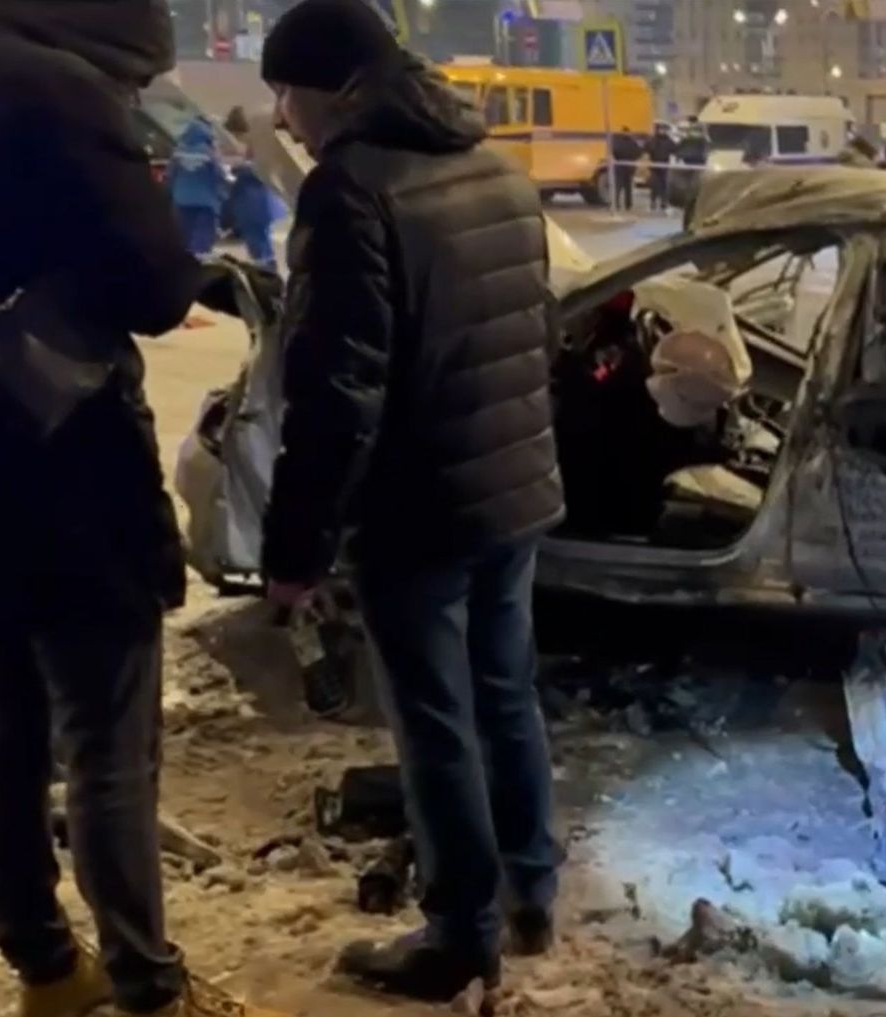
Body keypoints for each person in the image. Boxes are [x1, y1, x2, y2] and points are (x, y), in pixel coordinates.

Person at [0, 3, 289, 1017]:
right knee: (108, 746)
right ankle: (151, 987)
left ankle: (50, 973)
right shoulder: (57, 93)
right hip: (66, 479)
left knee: (3, 736)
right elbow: (149, 283)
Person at [257, 0, 564, 1002]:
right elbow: (532, 332)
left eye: (287, 92)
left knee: (436, 722)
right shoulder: (495, 164)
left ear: (335, 88)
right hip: (513, 489)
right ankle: (529, 892)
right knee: (506, 694)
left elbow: (334, 389)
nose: (281, 113)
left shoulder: (350, 192)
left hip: (419, 509)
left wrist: (294, 549)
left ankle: (459, 935)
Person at [168, 116, 228, 255]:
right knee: (203, 235)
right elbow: (218, 176)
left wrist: (171, 193)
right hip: (205, 202)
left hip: (181, 200)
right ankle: (200, 260)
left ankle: (185, 260)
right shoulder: (208, 153)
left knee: (183, 234)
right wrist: (223, 195)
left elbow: (171, 175)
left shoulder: (178, 151)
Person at [226, 161, 278, 271]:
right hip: (264, 213)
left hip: (247, 216)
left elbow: (232, 201)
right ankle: (269, 261)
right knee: (263, 237)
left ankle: (262, 264)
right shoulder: (261, 179)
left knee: (254, 241)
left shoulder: (239, 184)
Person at [644, 123, 676, 213]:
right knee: (654, 185)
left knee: (664, 185)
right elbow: (646, 150)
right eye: (661, 129)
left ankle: (664, 202)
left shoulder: (668, 140)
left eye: (664, 129)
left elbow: (674, 149)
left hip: (664, 165)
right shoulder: (652, 140)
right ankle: (653, 202)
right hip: (654, 165)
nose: (662, 131)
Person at [610, 129, 641, 211]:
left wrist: (618, 158)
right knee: (628, 188)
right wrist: (633, 159)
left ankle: (616, 204)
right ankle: (628, 205)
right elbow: (638, 153)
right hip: (629, 166)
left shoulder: (618, 142)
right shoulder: (633, 142)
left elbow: (614, 151)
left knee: (618, 186)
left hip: (620, 165)